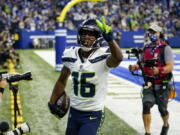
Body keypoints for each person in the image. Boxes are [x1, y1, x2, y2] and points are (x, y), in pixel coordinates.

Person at [48, 16, 123, 135]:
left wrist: (111, 40)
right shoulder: (70, 54)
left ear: (98, 37)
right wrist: (52, 101)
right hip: (74, 111)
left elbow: (118, 58)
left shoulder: (103, 55)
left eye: (91, 34)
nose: (87, 36)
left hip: (93, 113)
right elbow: (62, 80)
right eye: (84, 33)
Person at [129, 24, 174, 135]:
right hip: (148, 84)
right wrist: (135, 67)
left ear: (160, 34)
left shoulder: (165, 48)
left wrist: (159, 70)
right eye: (150, 32)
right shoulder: (145, 48)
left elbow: (170, 66)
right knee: (146, 105)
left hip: (163, 84)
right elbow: (141, 63)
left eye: (154, 32)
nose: (152, 35)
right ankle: (147, 132)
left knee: (162, 110)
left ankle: (166, 124)